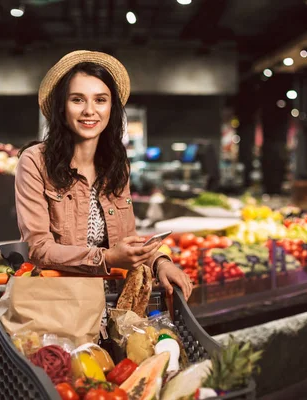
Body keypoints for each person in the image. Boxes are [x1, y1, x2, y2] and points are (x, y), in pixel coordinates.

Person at [15, 50, 193, 303]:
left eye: (100, 100)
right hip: (59, 303)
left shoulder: (117, 165)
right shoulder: (35, 161)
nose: (90, 110)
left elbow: (127, 240)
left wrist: (160, 262)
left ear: (112, 108)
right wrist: (106, 259)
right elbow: (38, 248)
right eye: (77, 100)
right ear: (62, 107)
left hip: (115, 301)